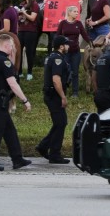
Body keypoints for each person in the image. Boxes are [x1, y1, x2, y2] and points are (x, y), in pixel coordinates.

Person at [0, 34, 32, 171]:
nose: (13, 48)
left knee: (9, 130)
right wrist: (25, 100)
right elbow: (13, 83)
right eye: (12, 45)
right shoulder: (4, 61)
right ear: (6, 45)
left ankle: (17, 159)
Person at [36, 35, 71, 163]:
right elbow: (56, 80)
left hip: (50, 94)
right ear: (61, 46)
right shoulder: (57, 59)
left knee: (59, 123)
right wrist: (63, 97)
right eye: (67, 44)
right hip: (54, 95)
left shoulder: (51, 57)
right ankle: (54, 154)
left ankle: (44, 146)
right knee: (61, 123)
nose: (68, 46)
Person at [56, 5, 90, 97]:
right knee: (65, 72)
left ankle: (75, 92)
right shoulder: (63, 23)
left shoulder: (78, 23)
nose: (77, 13)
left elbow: (85, 35)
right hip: (65, 53)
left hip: (75, 51)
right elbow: (57, 36)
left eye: (77, 11)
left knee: (75, 72)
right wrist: (56, 48)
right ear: (69, 13)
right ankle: (64, 91)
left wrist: (92, 43)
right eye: (75, 11)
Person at [17, 0, 40, 81]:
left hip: (31, 31)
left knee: (29, 52)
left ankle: (30, 72)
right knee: (19, 51)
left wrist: (24, 13)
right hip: (21, 30)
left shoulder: (34, 5)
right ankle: (20, 72)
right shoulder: (22, 4)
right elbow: (19, 18)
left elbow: (33, 18)